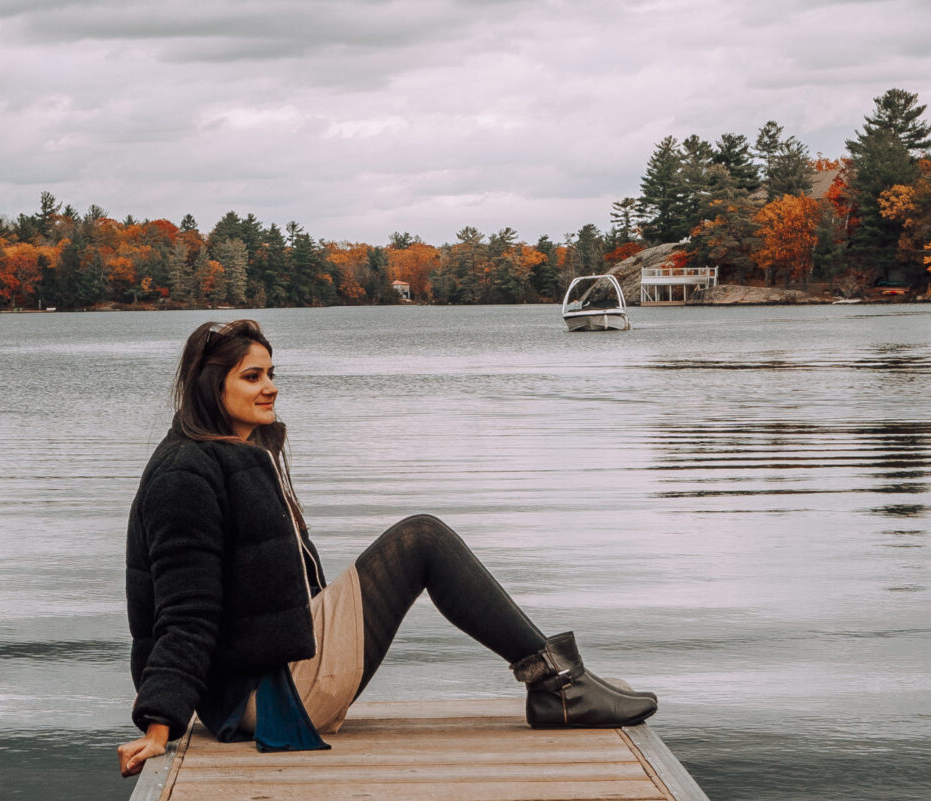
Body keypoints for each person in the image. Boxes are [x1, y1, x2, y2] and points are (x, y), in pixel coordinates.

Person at [118, 318, 657, 777]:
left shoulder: (233, 453)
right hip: (269, 698)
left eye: (272, 374)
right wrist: (159, 724)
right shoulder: (184, 475)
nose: (271, 387)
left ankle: (559, 681)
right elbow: (184, 612)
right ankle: (559, 684)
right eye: (252, 377)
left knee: (420, 537)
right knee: (421, 539)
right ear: (214, 387)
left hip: (273, 674)